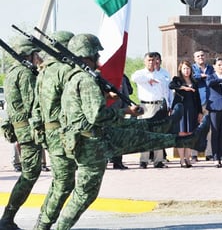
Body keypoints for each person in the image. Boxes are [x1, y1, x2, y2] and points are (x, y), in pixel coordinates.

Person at [55, 34, 209, 229]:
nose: (99, 59)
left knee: (141, 135)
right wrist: (125, 112)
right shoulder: (84, 80)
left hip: (90, 137)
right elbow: (97, 115)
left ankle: (171, 131)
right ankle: (181, 137)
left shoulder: (74, 78)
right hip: (92, 141)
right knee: (85, 193)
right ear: (88, 55)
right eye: (96, 54)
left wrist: (105, 95)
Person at [31, 30, 78, 230]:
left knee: (60, 181)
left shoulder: (45, 70)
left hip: (50, 132)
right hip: (60, 132)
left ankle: (43, 221)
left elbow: (36, 106)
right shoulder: (63, 70)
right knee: (64, 183)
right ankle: (43, 225)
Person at [0, 37, 43, 230]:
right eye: (36, 54)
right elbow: (33, 103)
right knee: (30, 173)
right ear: (29, 54)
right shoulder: (25, 74)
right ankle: (8, 217)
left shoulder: (12, 73)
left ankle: (8, 217)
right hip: (28, 131)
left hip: (21, 129)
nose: (38, 57)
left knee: (30, 172)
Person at [131, 52, 169, 169]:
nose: (151, 62)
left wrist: (167, 104)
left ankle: (158, 160)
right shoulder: (141, 73)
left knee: (158, 133)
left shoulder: (161, 74)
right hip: (145, 106)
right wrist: (148, 79)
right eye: (149, 60)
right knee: (145, 134)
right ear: (145, 61)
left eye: (153, 60)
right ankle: (144, 160)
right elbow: (134, 78)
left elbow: (166, 90)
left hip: (158, 105)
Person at [169, 60, 203, 168]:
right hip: (180, 110)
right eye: (184, 68)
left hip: (192, 110)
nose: (186, 71)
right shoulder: (177, 80)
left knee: (189, 134)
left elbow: (197, 99)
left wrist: (200, 112)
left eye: (188, 68)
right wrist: (184, 87)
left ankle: (188, 158)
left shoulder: (194, 81)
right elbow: (171, 85)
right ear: (181, 69)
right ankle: (182, 159)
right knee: (181, 133)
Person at [191, 50, 214, 161]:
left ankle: (208, 153)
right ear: (194, 58)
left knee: (209, 129)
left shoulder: (211, 68)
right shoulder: (191, 68)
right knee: (195, 128)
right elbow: (191, 78)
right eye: (198, 56)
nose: (201, 57)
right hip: (196, 102)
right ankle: (194, 154)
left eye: (202, 56)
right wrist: (201, 76)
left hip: (209, 102)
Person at [109, 74, 133, 170]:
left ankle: (118, 162)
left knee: (118, 138)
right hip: (104, 112)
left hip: (119, 112)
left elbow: (125, 95)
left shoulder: (121, 78)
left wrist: (126, 109)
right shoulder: (100, 76)